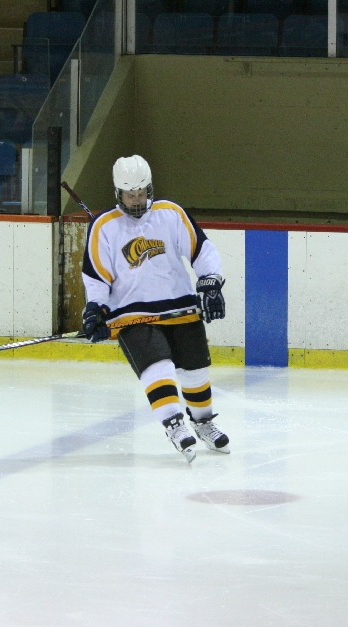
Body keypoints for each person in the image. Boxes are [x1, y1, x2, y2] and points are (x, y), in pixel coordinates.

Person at [81, 155, 230, 463]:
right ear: (118, 193)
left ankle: (203, 422)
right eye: (129, 195)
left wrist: (210, 282)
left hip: (181, 309)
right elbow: (96, 277)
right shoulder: (104, 227)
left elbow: (202, 250)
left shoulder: (170, 214)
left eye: (141, 193)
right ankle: (175, 425)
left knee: (195, 371)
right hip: (133, 316)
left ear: (149, 188)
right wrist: (96, 309)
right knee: (157, 367)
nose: (136, 200)